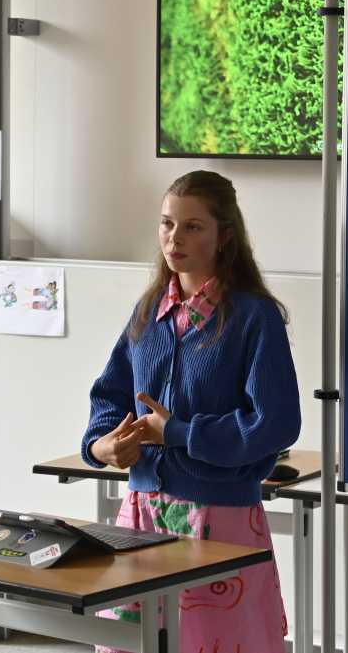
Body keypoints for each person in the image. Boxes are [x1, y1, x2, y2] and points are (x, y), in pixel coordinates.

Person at [82, 170, 301, 653]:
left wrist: (178, 432)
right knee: (130, 645)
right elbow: (108, 397)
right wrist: (102, 446)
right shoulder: (148, 312)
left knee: (216, 644)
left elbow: (276, 422)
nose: (174, 238)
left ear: (225, 236)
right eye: (166, 224)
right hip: (141, 514)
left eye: (192, 226)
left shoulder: (253, 316)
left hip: (219, 516)